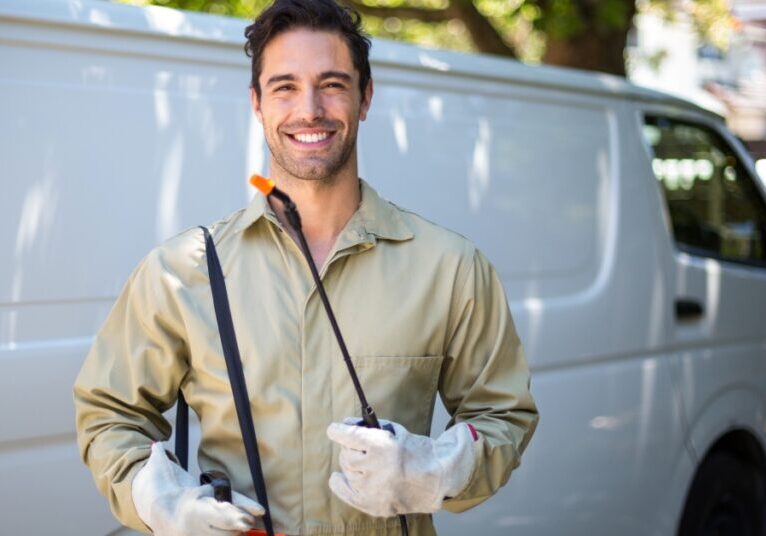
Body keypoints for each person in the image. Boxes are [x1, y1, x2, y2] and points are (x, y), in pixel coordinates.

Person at [73, 0, 539, 534]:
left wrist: (434, 470)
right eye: (285, 86)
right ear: (257, 103)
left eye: (333, 84)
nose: (309, 108)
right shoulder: (183, 271)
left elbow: (504, 417)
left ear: (365, 97)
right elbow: (109, 414)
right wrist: (161, 501)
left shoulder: (452, 267)